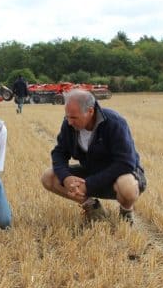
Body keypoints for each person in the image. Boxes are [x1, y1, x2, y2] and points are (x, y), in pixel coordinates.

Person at [40, 90, 146, 225]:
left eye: (74, 117)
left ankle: (126, 211)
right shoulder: (68, 124)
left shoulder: (115, 123)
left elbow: (125, 164)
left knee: (127, 187)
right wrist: (66, 177)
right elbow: (59, 152)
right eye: (67, 117)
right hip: (91, 171)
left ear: (90, 111)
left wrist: (88, 185)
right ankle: (93, 208)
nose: (70, 122)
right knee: (48, 177)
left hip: (118, 175)